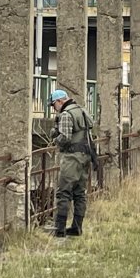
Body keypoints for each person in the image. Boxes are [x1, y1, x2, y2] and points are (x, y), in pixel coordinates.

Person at [49, 88, 93, 238]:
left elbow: (66, 137)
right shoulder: (82, 110)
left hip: (72, 157)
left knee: (63, 192)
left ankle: (59, 229)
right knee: (80, 193)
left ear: (60, 101)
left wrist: (55, 140)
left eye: (53, 104)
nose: (54, 108)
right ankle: (77, 227)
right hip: (85, 155)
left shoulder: (66, 114)